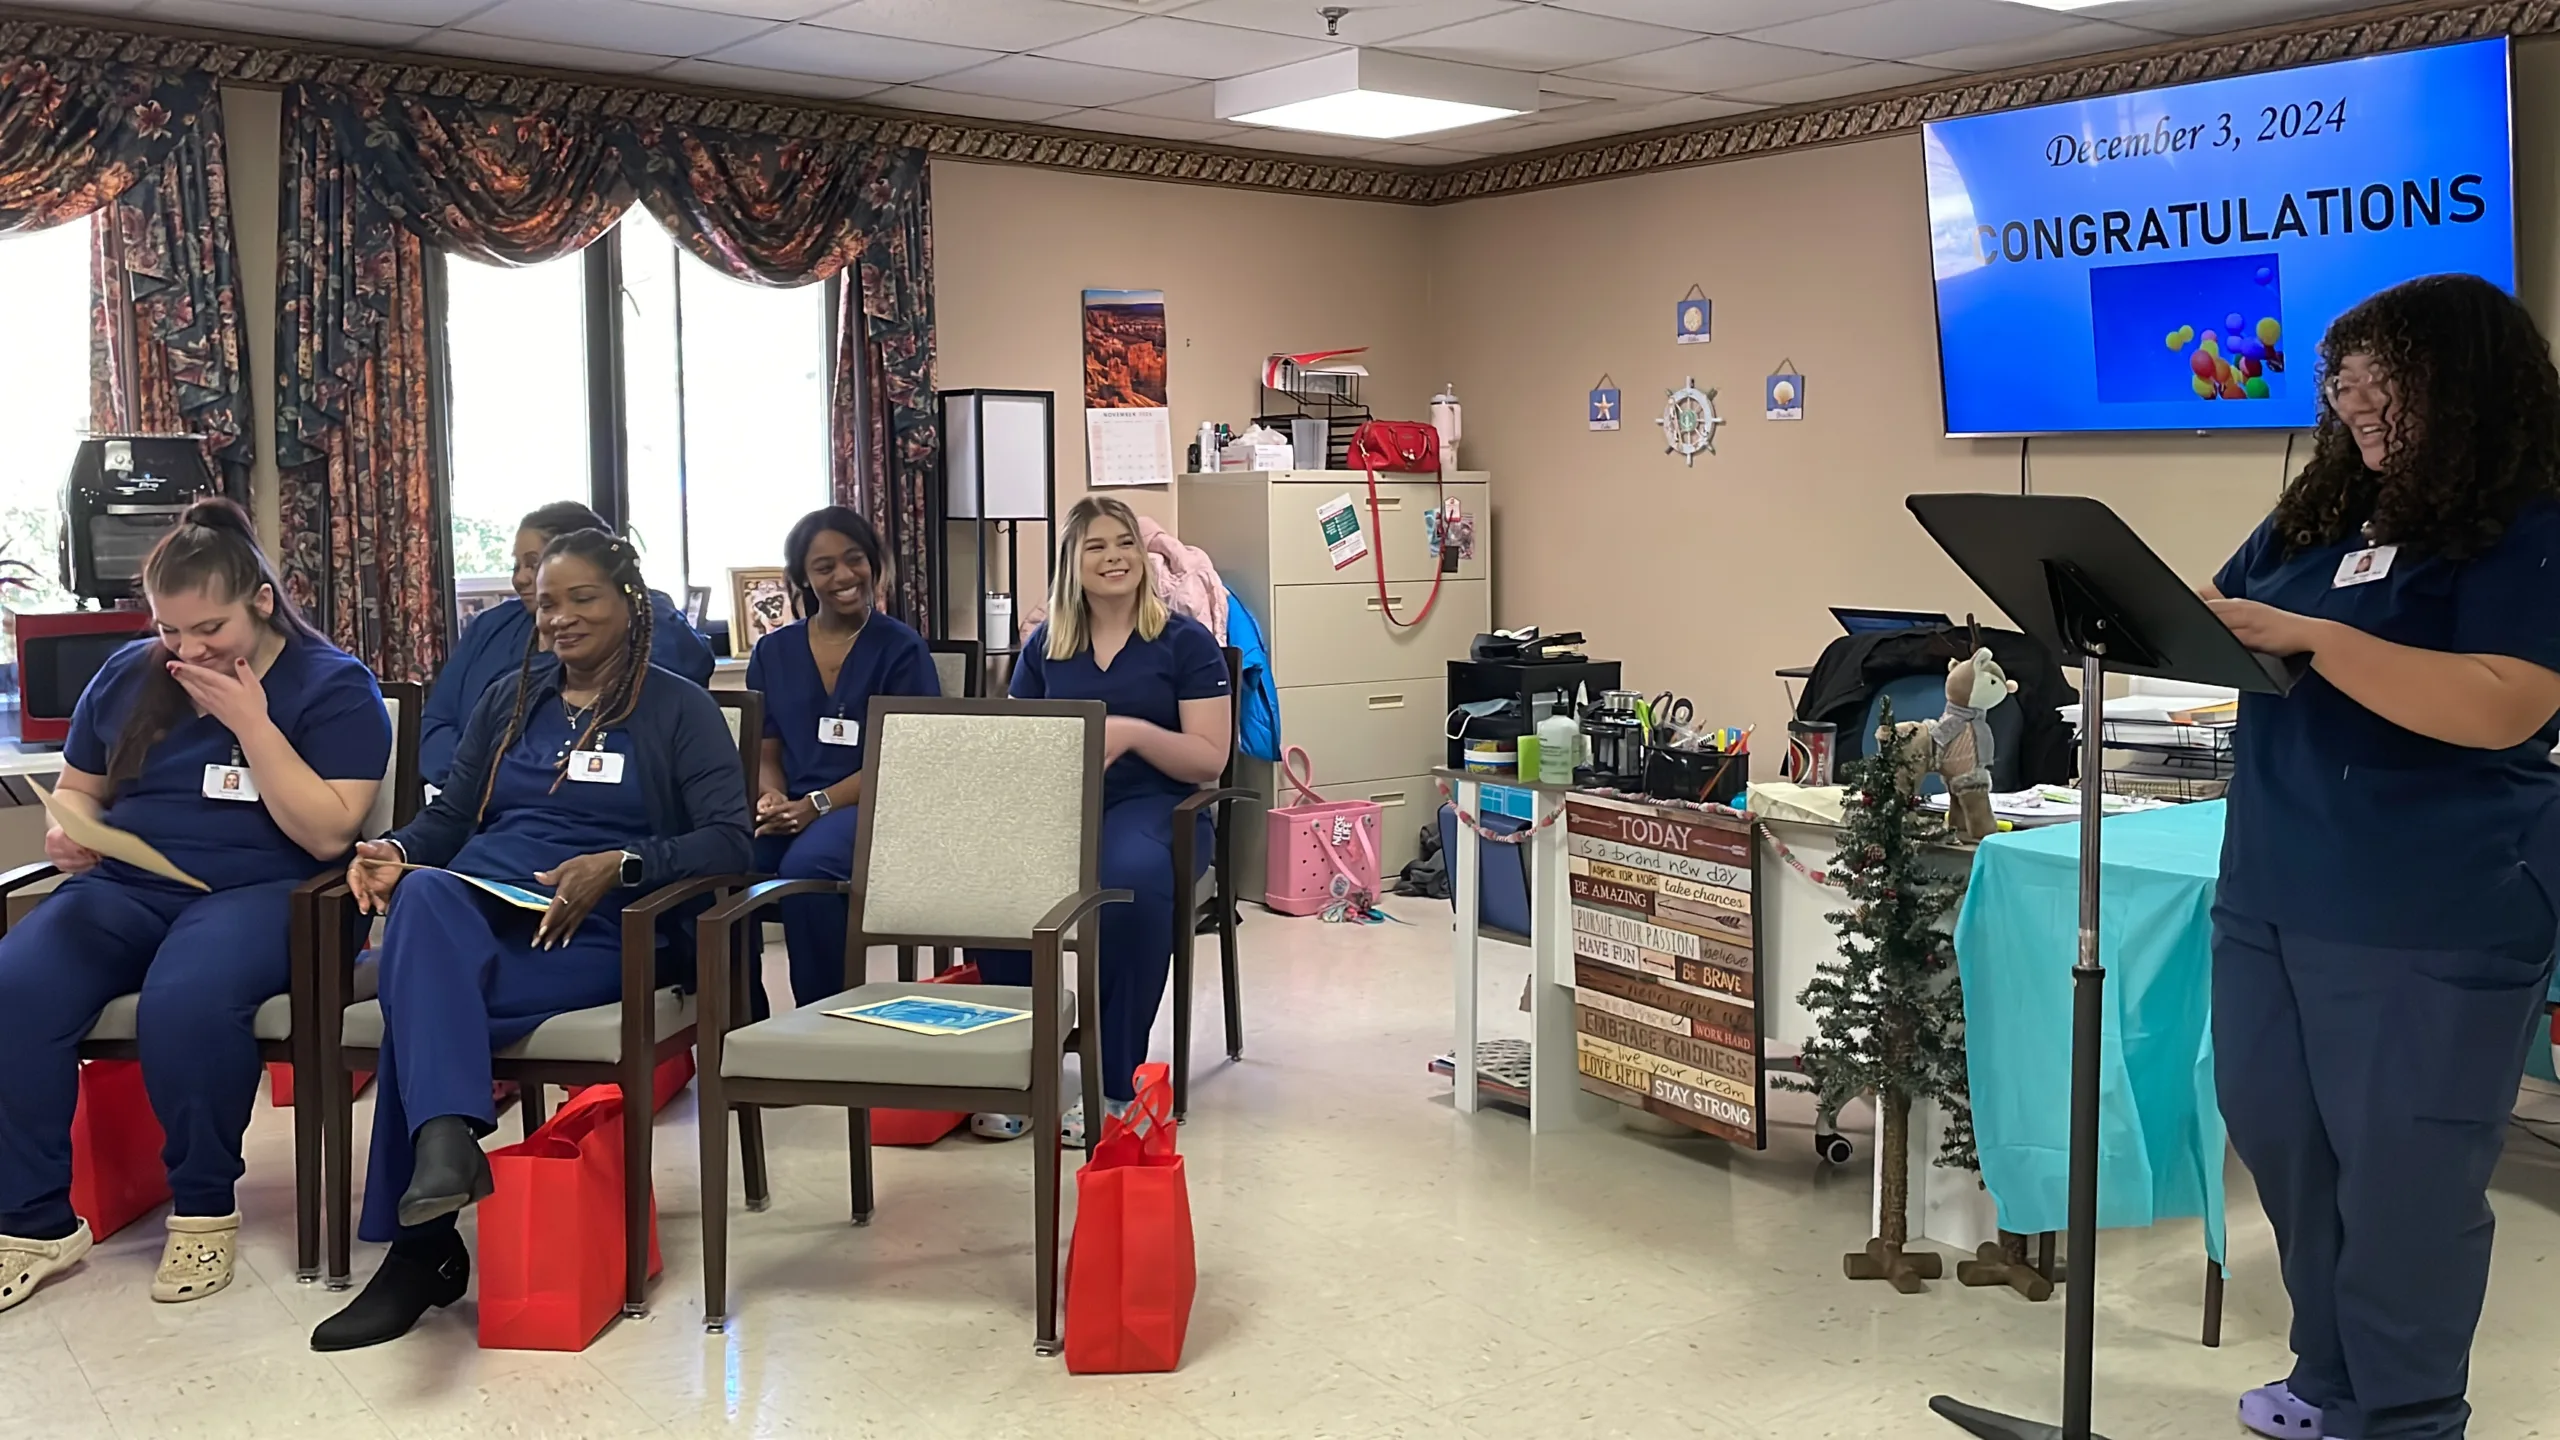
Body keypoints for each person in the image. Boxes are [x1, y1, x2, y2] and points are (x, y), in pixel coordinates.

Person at [2204, 274, 2560, 1440]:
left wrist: (2318, 637)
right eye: (2341, 380)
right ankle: (2332, 1379)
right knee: (2281, 1138)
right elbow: (2224, 606)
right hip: (2273, 883)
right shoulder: (2319, 511)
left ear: (2454, 384)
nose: (2353, 402)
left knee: (2406, 1180)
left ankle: (2408, 1414)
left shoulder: (2526, 519)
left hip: (2427, 906)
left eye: (2381, 379)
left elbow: (2505, 702)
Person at [310, 529, 750, 1351]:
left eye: (583, 598)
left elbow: (731, 841)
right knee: (426, 894)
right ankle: (442, 1159)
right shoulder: (514, 700)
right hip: (477, 907)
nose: (562, 618)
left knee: (421, 997)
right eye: (548, 603)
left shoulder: (679, 709)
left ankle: (423, 1247)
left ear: (629, 602)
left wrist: (619, 865)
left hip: (596, 933)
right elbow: (447, 819)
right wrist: (394, 851)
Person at [0, 499, 389, 1312]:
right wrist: (70, 835)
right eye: (171, 631)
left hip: (268, 892)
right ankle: (34, 1221)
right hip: (131, 886)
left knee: (186, 1000)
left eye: (208, 627)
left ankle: (204, 1207)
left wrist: (251, 723)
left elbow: (326, 834)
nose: (187, 649)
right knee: (16, 983)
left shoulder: (334, 686)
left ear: (260, 597)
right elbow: (80, 790)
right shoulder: (131, 673)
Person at [972, 496, 1231, 1147]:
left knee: (1130, 880)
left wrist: (1138, 733)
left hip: (1160, 808)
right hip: (1062, 810)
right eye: (1096, 546)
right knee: (986, 879)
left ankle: (1114, 1084)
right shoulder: (1047, 646)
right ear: (1071, 562)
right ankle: (1019, 1074)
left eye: (1124, 544)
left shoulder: (1185, 642)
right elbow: (1020, 742)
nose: (1114, 557)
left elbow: (1209, 759)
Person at [745, 507, 938, 1012]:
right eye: (825, 566)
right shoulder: (773, 652)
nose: (844, 576)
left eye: (854, 560)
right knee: (723, 857)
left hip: (877, 806)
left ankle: (824, 1020)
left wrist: (818, 805)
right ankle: (743, 1021)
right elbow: (766, 747)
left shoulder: (901, 649)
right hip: (795, 809)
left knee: (806, 868)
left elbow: (907, 762)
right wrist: (770, 795)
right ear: (803, 578)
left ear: (874, 563)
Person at [418, 502, 715, 788]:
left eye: (534, 564)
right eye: (516, 565)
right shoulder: (490, 627)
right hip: (474, 802)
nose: (520, 578)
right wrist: (478, 780)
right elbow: (437, 721)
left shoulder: (643, 621)